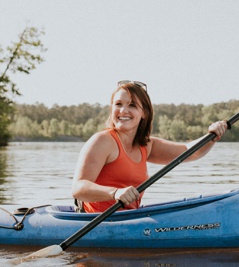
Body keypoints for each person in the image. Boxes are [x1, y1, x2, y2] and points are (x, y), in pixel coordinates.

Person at [71, 80, 228, 213]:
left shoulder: (146, 145)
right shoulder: (102, 141)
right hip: (95, 220)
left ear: (144, 112)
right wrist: (115, 193)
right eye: (118, 104)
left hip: (129, 219)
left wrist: (212, 136)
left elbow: (190, 152)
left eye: (132, 105)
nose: (123, 110)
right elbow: (78, 188)